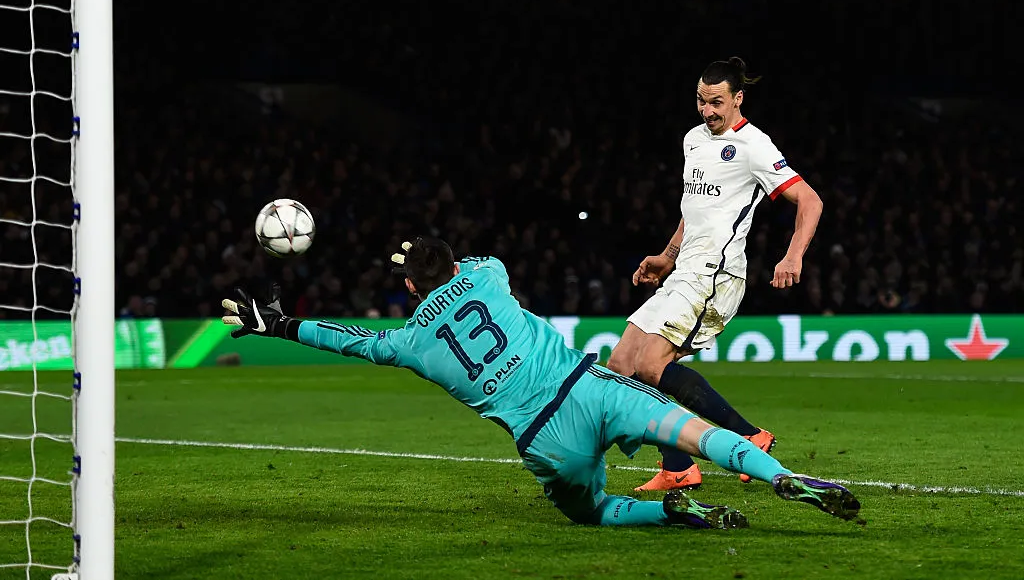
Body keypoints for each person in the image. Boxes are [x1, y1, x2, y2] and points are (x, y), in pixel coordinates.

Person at [222, 237, 857, 529]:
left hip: (546, 440)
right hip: (591, 387)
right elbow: (469, 263)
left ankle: (669, 513)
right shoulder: (488, 274)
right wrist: (428, 259)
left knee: (593, 512)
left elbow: (349, 340)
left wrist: (279, 325)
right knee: (699, 434)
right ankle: (785, 479)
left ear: (410, 289)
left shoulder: (409, 343)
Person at [606, 57, 824, 492]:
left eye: (717, 102)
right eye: (701, 101)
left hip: (716, 274)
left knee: (651, 364)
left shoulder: (754, 146)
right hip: (684, 269)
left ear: (738, 98)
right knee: (620, 366)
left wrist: (793, 256)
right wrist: (668, 255)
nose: (708, 111)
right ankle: (680, 466)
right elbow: (694, 209)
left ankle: (744, 437)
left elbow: (810, 201)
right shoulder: (692, 140)